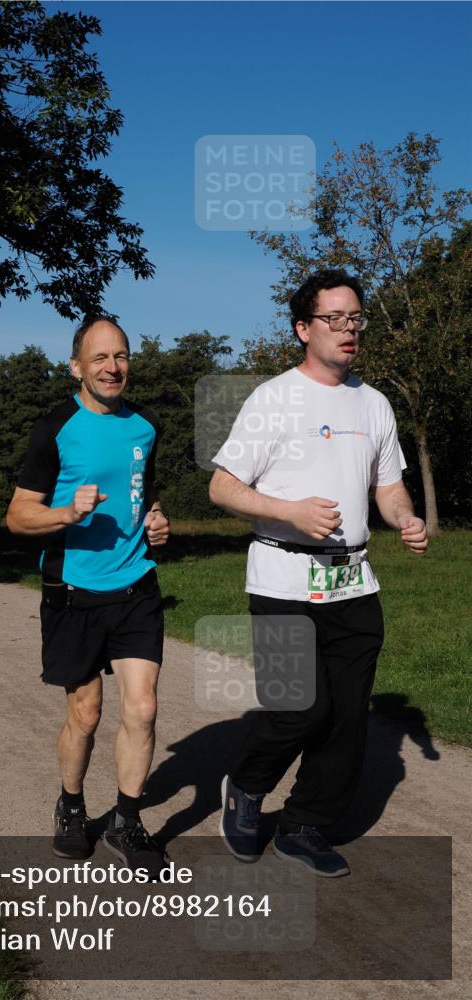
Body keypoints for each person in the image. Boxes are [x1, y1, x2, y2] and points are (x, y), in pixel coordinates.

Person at [209, 269, 427, 877]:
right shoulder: (273, 398)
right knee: (297, 710)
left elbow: (388, 487)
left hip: (354, 583)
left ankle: (305, 825)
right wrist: (289, 511)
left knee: (348, 717)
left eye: (355, 318)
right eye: (333, 319)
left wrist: (405, 518)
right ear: (304, 329)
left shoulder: (374, 402)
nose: (348, 329)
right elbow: (222, 487)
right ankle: (247, 787)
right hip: (282, 579)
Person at [7, 316, 170, 877]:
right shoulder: (54, 428)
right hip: (73, 591)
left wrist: (154, 520)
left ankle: (127, 820)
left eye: (121, 356)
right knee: (86, 714)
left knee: (143, 708)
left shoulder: (146, 426)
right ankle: (72, 805)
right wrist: (65, 513)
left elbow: (140, 493)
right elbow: (17, 516)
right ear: (76, 367)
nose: (112, 367)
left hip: (135, 587)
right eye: (99, 358)